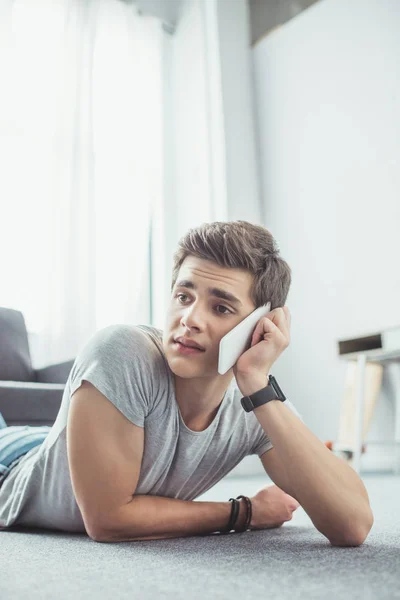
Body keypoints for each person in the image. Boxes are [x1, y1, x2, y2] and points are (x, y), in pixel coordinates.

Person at [0, 220, 303, 538]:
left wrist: (256, 381)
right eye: (184, 297)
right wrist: (243, 512)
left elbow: (352, 523)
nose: (189, 320)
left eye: (222, 308)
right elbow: (108, 520)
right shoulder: (120, 350)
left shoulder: (254, 403)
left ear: (259, 325)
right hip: (12, 462)